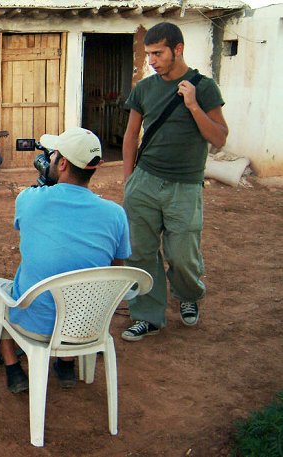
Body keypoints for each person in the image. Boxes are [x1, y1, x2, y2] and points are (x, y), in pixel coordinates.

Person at [0, 127, 131, 393]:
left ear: (62, 163)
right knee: (78, 283)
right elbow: (117, 272)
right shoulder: (116, 214)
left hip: (34, 327)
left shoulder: (29, 199)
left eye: (54, 155)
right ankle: (66, 362)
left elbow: (25, 229)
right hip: (87, 325)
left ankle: (13, 367)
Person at [120, 22, 228, 342]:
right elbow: (130, 134)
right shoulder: (144, 89)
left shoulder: (204, 87)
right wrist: (129, 179)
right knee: (141, 252)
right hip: (146, 180)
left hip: (185, 184)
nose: (151, 60)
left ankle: (188, 294)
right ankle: (146, 315)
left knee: (183, 254)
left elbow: (219, 138)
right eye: (149, 53)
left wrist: (193, 104)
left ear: (177, 50)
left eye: (158, 53)